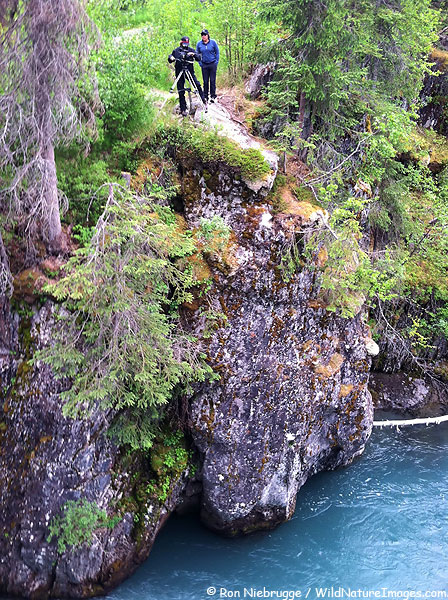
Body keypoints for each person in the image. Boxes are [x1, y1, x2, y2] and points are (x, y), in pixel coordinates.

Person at [168, 36, 206, 116]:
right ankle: (183, 109)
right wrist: (171, 58)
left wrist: (193, 55)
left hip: (189, 72)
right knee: (181, 90)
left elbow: (199, 57)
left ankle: (203, 100)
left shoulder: (191, 50)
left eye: (187, 43)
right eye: (184, 43)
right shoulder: (176, 51)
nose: (185, 45)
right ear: (181, 43)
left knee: (197, 84)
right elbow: (170, 58)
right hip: (179, 72)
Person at [196, 29, 219, 104]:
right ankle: (205, 96)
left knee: (212, 81)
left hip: (212, 64)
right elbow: (197, 54)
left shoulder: (213, 42)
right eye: (202, 35)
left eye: (205, 35)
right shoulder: (199, 44)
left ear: (208, 35)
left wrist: (216, 62)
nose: (203, 36)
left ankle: (213, 96)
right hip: (204, 64)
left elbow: (217, 52)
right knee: (205, 81)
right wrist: (200, 63)